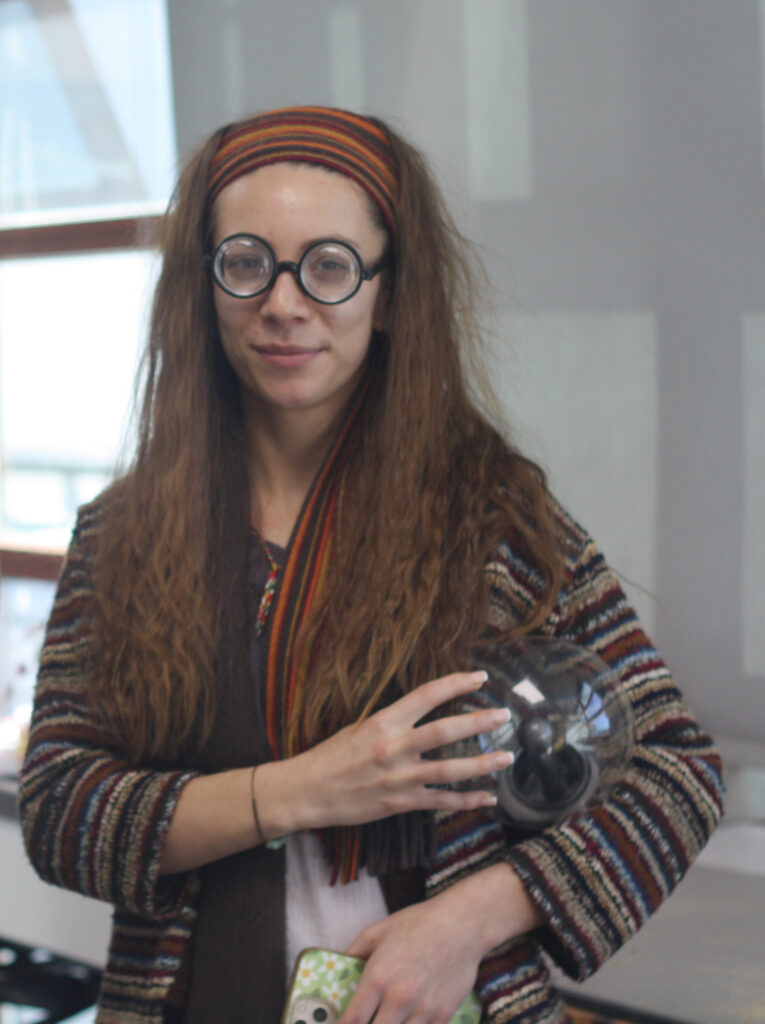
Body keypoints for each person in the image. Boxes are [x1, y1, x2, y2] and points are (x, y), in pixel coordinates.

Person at [19, 107, 723, 1024]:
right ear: (205, 286)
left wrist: (468, 920)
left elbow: (676, 767)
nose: (283, 303)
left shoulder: (490, 519)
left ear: (388, 294)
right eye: (245, 262)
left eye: (329, 265)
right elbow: (61, 810)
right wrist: (298, 791)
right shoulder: (122, 539)